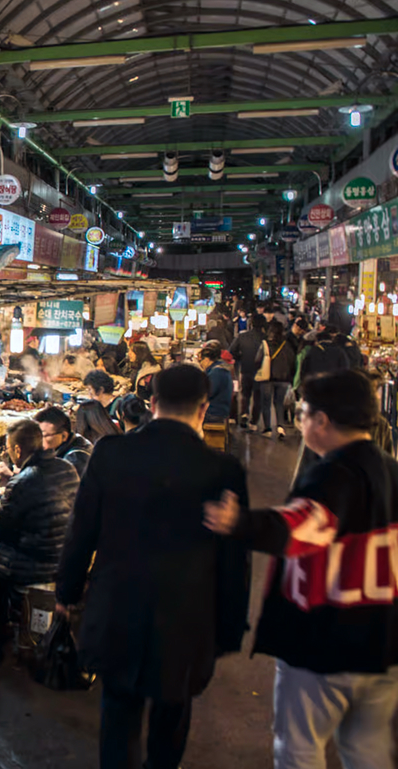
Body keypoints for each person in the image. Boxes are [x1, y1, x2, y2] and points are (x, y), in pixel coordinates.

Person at [56, 364, 250, 769]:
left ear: (154, 403)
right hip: (188, 617)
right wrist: (230, 627)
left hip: (118, 607)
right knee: (172, 718)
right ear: (203, 408)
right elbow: (235, 558)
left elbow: (82, 530)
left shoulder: (111, 452)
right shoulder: (223, 469)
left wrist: (66, 593)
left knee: (118, 716)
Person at [204, 370, 398, 769]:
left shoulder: (334, 475)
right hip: (384, 642)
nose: (302, 421)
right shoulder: (392, 470)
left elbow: (304, 528)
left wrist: (238, 523)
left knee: (299, 746)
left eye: (304, 413)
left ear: (322, 421)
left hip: (325, 640)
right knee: (369, 749)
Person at [0, 419, 79, 647]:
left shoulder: (24, 480)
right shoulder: (66, 468)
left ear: (16, 449)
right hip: (64, 555)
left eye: (8, 449)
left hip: (34, 561)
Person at [255, 321, 296, 439]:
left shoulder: (265, 344)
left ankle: (267, 429)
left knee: (266, 403)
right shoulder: (286, 345)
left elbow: (257, 360)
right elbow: (292, 361)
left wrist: (259, 369)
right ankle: (280, 427)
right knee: (279, 404)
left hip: (267, 378)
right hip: (283, 379)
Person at [229, 313, 266, 429]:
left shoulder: (242, 337)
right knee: (258, 397)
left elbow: (231, 351)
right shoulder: (266, 338)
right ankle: (253, 422)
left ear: (250, 324)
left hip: (245, 369)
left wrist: (240, 358)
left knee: (245, 394)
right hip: (261, 371)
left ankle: (244, 414)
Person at [34, 406, 93, 477]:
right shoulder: (70, 440)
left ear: (64, 436)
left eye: (44, 436)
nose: (38, 441)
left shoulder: (75, 458)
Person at [197, 340, 232, 424]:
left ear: (206, 359)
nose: (200, 364)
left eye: (200, 361)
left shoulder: (216, 373)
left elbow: (208, 393)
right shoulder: (219, 369)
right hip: (220, 410)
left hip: (214, 412)